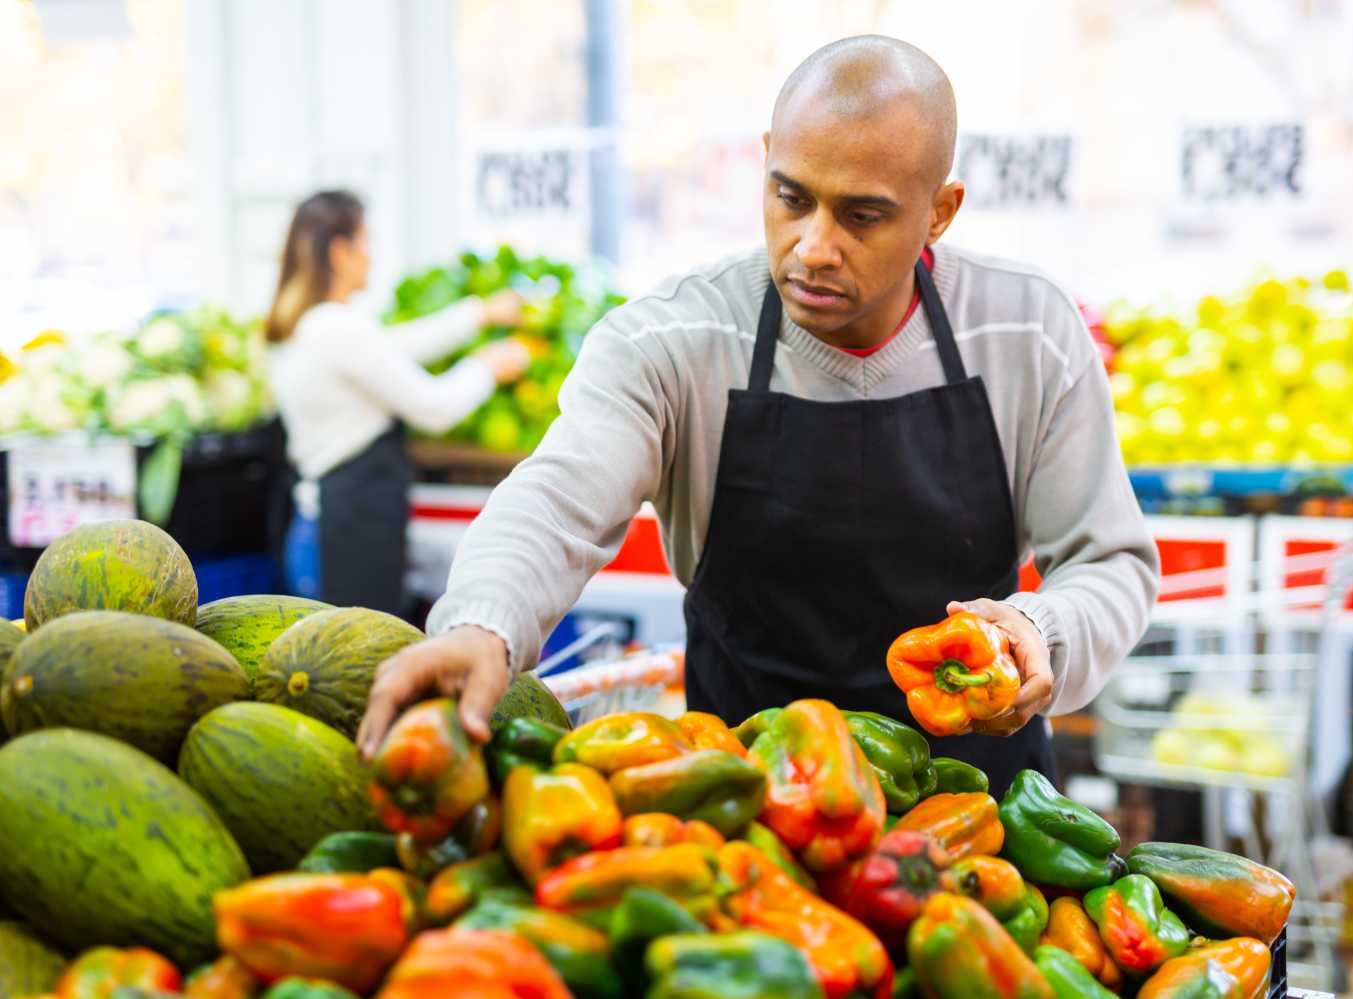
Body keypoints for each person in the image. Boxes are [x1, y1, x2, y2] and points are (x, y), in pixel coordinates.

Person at [357, 37, 1160, 790]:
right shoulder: (674, 340)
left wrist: (1039, 628)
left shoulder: (1027, 331)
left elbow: (1112, 563)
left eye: (862, 215)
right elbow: (555, 500)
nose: (812, 244)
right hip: (748, 808)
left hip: (983, 813)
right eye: (791, 197)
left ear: (939, 211)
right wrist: (481, 624)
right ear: (767, 160)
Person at [266, 190, 531, 615]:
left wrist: (478, 314)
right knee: (358, 667)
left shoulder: (311, 323)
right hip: (347, 533)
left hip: (332, 525)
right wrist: (487, 367)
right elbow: (433, 408)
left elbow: (394, 348)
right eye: (366, 240)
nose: (372, 255)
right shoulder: (334, 327)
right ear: (340, 251)